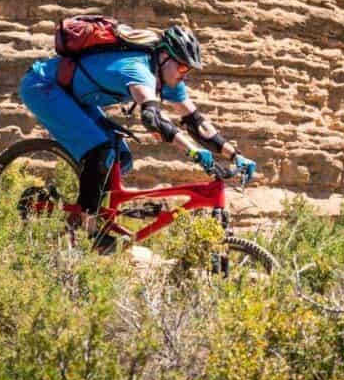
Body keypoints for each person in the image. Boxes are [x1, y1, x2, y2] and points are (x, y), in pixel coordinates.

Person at [19, 24, 255, 249]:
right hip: (44, 87)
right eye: (183, 67)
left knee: (121, 159)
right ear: (164, 57)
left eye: (189, 70)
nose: (185, 74)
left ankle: (85, 211)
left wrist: (234, 155)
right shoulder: (138, 69)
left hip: (76, 97)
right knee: (100, 151)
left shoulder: (166, 77)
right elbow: (154, 120)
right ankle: (88, 232)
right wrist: (193, 151)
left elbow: (196, 122)